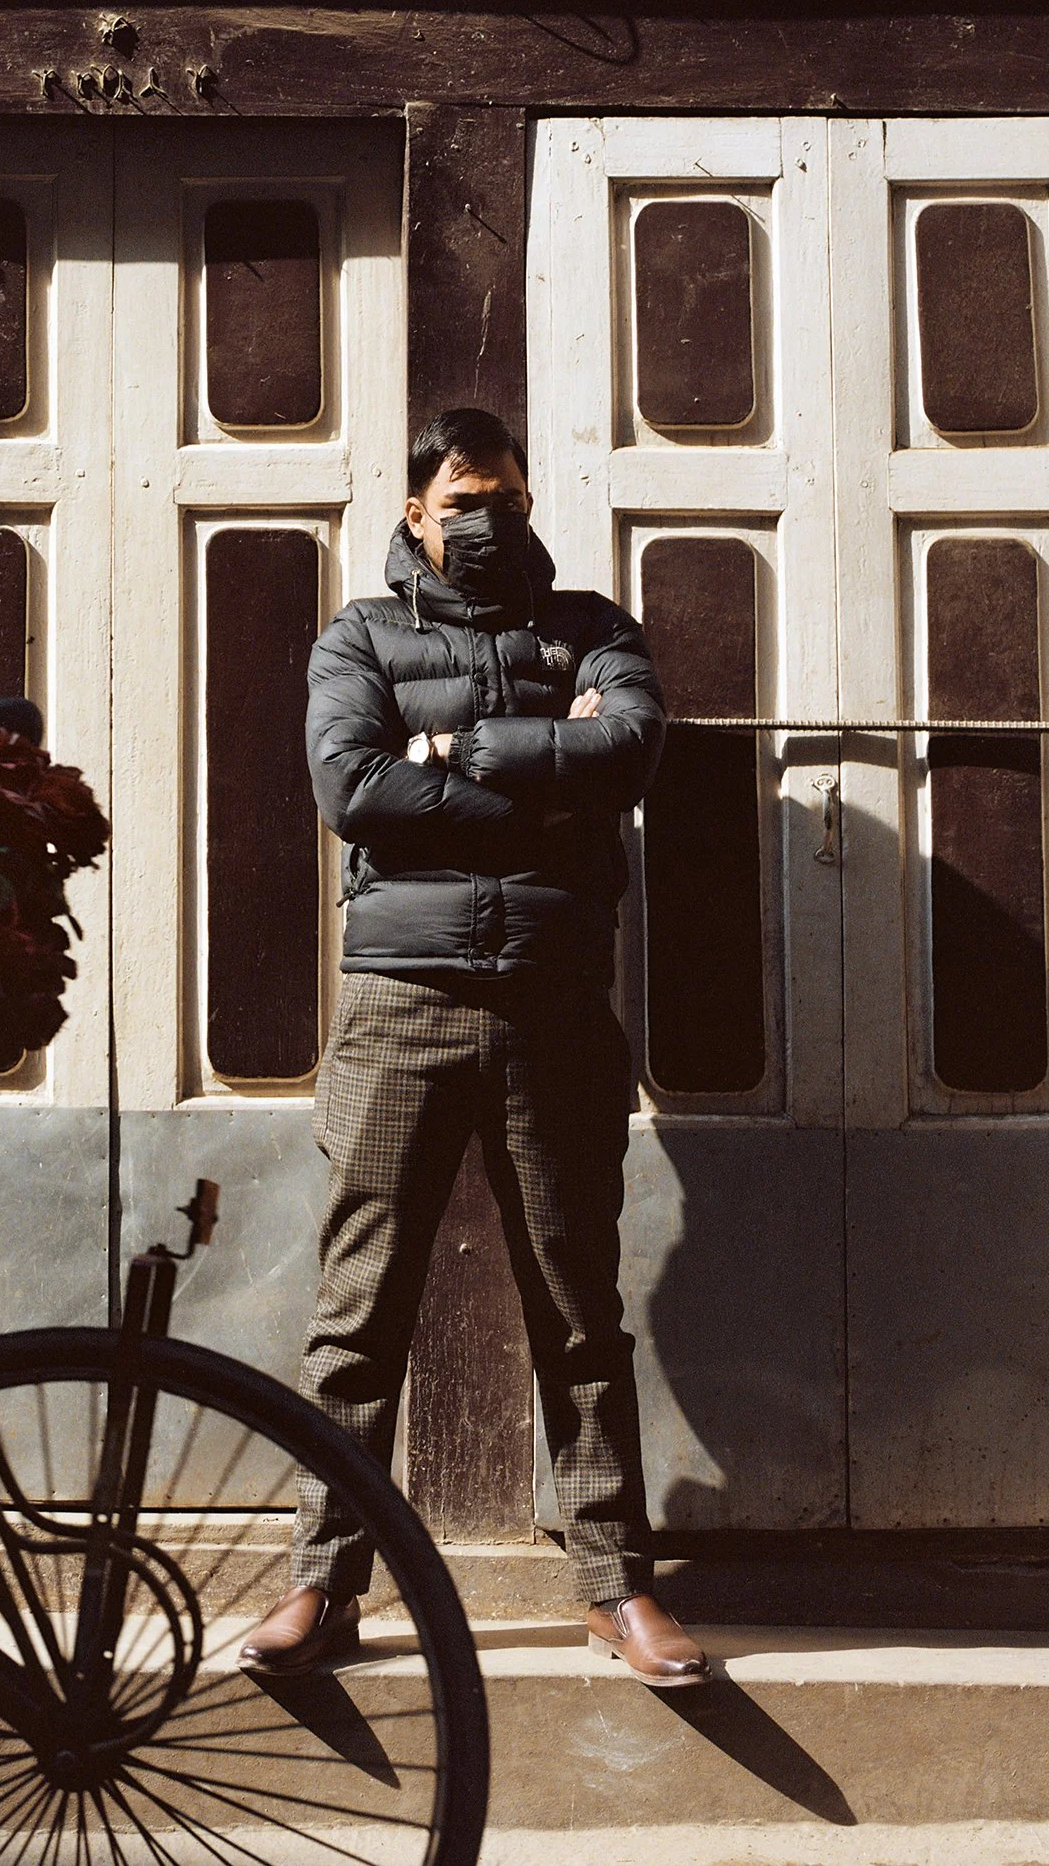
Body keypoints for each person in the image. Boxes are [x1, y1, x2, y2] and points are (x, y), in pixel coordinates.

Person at [240, 406, 708, 1691]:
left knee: (577, 1313)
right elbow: (354, 787)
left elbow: (632, 749)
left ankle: (617, 1588)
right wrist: (540, 783)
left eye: (502, 493)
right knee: (357, 1313)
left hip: (555, 1004)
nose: (483, 517)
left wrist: (462, 748)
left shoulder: (593, 627)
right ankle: (320, 1586)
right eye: (460, 498)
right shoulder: (361, 636)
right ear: (413, 513)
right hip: (400, 1001)